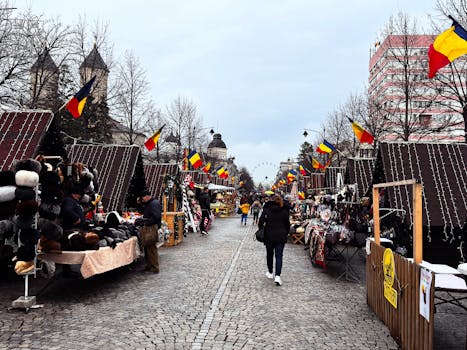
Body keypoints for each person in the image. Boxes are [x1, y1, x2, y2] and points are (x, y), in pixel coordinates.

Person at [258, 194, 290, 286]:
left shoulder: (267, 210)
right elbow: (287, 224)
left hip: (269, 235)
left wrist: (262, 229)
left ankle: (270, 272)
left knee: (269, 254)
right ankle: (278, 276)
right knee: (279, 255)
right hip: (281, 235)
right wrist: (286, 232)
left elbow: (261, 222)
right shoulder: (284, 211)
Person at [138, 190, 162, 273]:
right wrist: (140, 203)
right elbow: (142, 211)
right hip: (149, 227)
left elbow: (156, 216)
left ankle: (155, 267)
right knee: (147, 247)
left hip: (151, 227)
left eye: (143, 198)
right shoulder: (149, 203)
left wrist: (147, 223)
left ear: (147, 196)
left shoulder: (154, 203)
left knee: (151, 248)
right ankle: (149, 265)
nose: (142, 199)